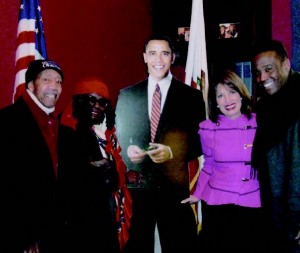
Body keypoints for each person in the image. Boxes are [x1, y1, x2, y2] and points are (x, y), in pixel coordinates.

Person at [115, 34, 206, 253]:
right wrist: (128, 152)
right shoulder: (128, 95)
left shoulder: (191, 96)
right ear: (144, 57)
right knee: (137, 246)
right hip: (138, 189)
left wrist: (173, 152)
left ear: (172, 57)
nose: (159, 59)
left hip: (174, 190)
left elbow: (201, 141)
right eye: (153, 53)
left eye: (165, 53)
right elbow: (118, 139)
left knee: (180, 246)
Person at [181, 69, 266, 252]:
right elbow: (208, 166)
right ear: (215, 102)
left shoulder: (261, 123)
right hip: (218, 203)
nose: (227, 100)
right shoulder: (207, 128)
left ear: (242, 93)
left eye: (232, 92)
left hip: (252, 200)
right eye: (220, 95)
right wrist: (197, 194)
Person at [0, 59, 71, 252]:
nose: (54, 87)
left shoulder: (59, 128)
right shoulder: (7, 122)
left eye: (58, 82)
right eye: (46, 79)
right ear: (31, 85)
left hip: (54, 234)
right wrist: (24, 236)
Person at [60, 77, 132, 253]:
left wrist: (121, 175)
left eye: (102, 102)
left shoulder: (105, 133)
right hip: (84, 220)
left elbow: (111, 172)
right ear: (80, 100)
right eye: (91, 99)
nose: (97, 106)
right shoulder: (68, 132)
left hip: (106, 213)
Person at [251, 39, 300, 253]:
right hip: (274, 215)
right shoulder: (265, 107)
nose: (262, 78)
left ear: (286, 65)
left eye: (268, 69)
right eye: (258, 72)